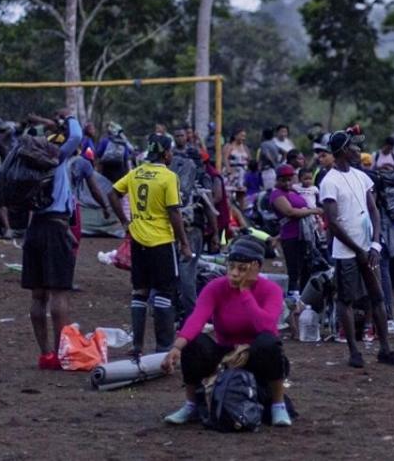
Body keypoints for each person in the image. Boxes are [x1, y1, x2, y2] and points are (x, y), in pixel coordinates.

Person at [161, 237, 292, 427]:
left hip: (255, 353)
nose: (234, 274)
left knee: (268, 342)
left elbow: (266, 326)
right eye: (231, 267)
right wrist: (177, 347)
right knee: (195, 343)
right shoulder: (216, 287)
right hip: (225, 352)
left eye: (241, 268)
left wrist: (245, 292)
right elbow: (197, 318)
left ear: (256, 267)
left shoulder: (271, 290)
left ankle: (278, 405)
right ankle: (191, 405)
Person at [319, 129, 394, 368]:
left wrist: (375, 244)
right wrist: (359, 249)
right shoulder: (330, 182)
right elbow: (333, 223)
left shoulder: (362, 176)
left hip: (368, 249)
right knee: (346, 299)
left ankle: (385, 349)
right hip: (347, 251)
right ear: (342, 151)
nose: (358, 151)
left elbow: (374, 211)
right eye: (353, 147)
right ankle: (354, 352)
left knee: (377, 297)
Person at [19, 112, 98, 369]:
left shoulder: (25, 163)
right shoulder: (55, 160)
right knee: (59, 293)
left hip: (34, 228)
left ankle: (46, 354)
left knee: (37, 295)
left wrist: (43, 123)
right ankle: (63, 353)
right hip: (56, 226)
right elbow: (76, 135)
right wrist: (71, 116)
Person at [108, 134, 191, 356]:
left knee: (140, 292)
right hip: (161, 241)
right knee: (165, 292)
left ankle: (137, 346)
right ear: (165, 153)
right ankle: (163, 347)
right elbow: (174, 211)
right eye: (170, 151)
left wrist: (125, 222)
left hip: (137, 240)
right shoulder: (168, 177)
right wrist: (184, 243)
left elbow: (113, 194)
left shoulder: (135, 173)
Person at [270, 164, 323, 295]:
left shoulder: (293, 192)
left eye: (290, 179)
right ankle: (293, 298)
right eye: (284, 180)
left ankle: (304, 299)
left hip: (305, 234)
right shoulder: (277, 194)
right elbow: (290, 212)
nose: (287, 182)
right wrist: (313, 211)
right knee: (295, 270)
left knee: (307, 268)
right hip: (291, 236)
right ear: (278, 180)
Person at [223, 129, 250, 193]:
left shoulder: (245, 147)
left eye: (244, 136)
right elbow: (225, 158)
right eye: (241, 136)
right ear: (235, 136)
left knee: (241, 193)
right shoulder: (229, 146)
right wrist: (229, 171)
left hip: (243, 173)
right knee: (229, 193)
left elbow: (249, 159)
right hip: (232, 172)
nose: (243, 138)